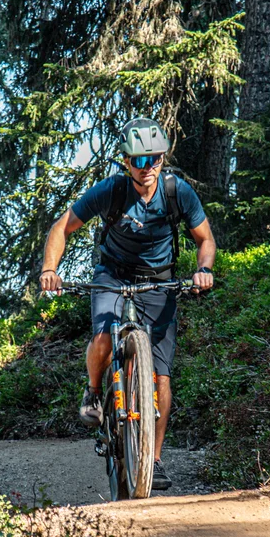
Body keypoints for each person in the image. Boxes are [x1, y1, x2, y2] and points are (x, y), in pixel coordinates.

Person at [39, 117, 217, 489]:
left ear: (162, 159)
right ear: (126, 162)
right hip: (113, 275)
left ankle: (153, 459)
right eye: (139, 160)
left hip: (161, 281)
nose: (147, 167)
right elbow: (62, 226)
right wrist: (49, 270)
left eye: (154, 158)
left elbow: (205, 239)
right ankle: (92, 392)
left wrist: (203, 270)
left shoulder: (177, 191)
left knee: (162, 378)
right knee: (104, 336)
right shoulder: (111, 191)